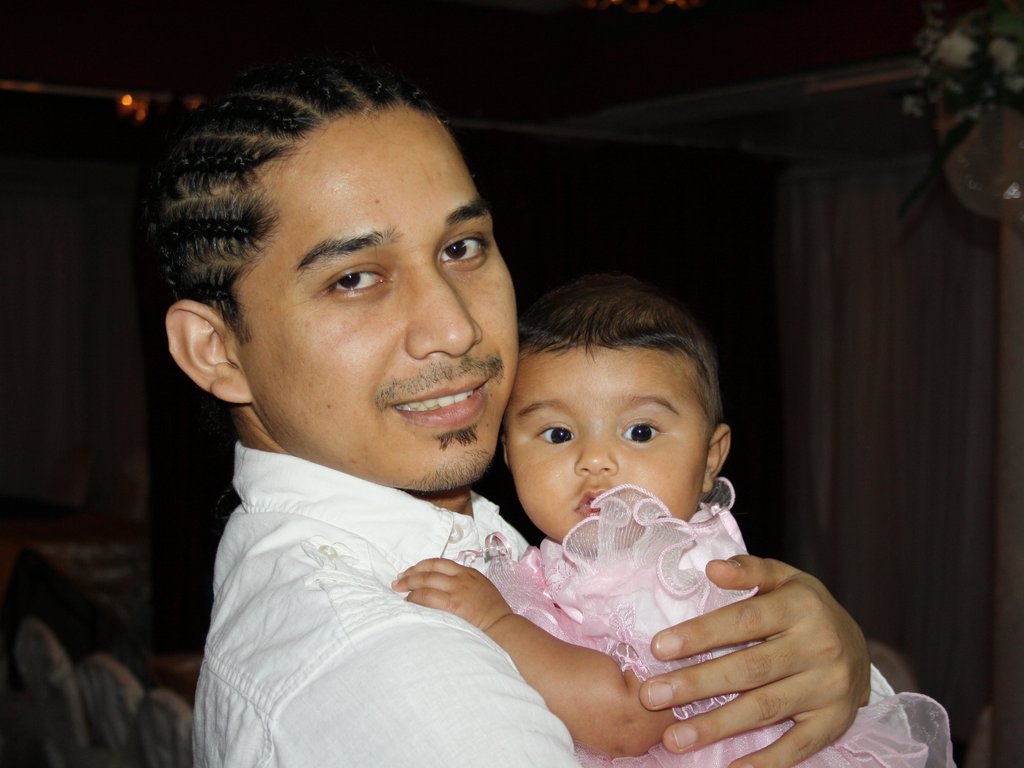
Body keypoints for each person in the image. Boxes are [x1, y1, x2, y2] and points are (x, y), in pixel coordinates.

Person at [148, 57, 872, 767]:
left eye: (461, 247)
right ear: (216, 350)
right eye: (356, 279)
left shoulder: (495, 531)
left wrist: (834, 665)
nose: (456, 326)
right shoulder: (400, 674)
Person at [395, 274, 955, 767]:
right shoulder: (554, 558)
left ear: (710, 458)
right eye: (558, 434)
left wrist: (496, 623)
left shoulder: (675, 568)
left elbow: (631, 719)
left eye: (640, 432)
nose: (596, 460)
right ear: (510, 455)